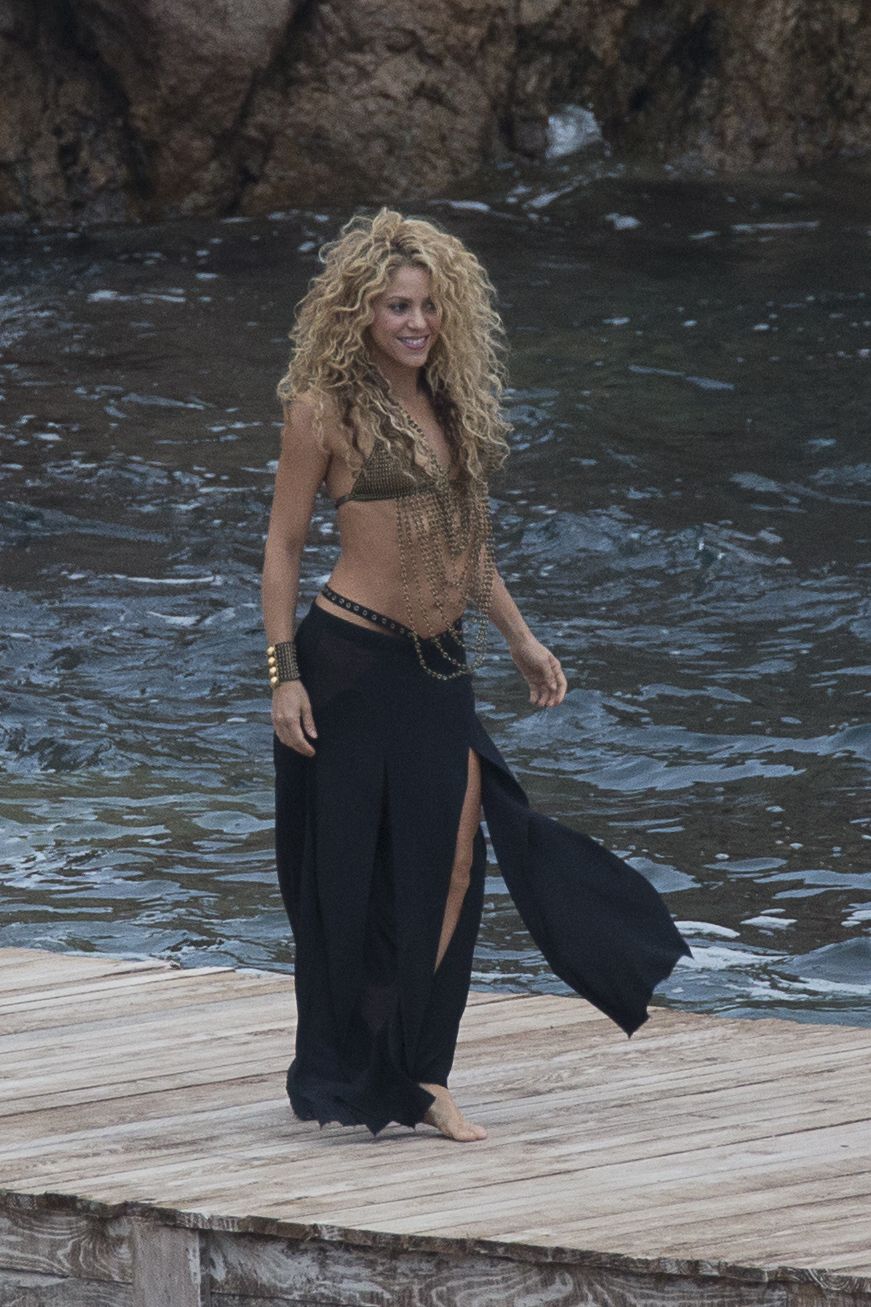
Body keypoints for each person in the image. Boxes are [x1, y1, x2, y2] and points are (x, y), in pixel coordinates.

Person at [262, 207, 692, 1144]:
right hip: (349, 664)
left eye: (427, 307)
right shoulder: (322, 410)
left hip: (441, 665)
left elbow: (469, 548)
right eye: (396, 306)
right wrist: (282, 672)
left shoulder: (449, 404)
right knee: (349, 879)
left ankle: (421, 1068)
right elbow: (283, 546)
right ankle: (362, 1066)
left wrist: (522, 639)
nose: (415, 323)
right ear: (360, 311)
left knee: (454, 863)